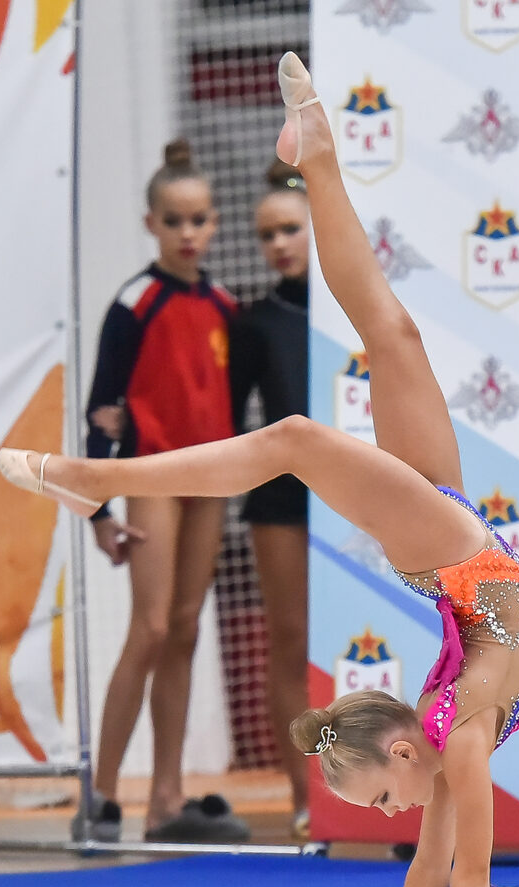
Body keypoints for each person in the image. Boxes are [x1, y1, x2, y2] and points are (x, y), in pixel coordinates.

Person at [0, 54, 519, 887]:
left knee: (326, 407)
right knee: (382, 342)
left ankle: (91, 477)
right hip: (459, 551)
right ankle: (319, 160)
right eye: (385, 798)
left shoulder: (451, 742)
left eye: (377, 800)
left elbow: (444, 868)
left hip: (454, 556)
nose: (393, 810)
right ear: (400, 751)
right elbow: (458, 872)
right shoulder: (456, 744)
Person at [75, 138, 250, 844]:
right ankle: (102, 792)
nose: (188, 233)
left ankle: (167, 799)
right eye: (175, 220)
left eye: (200, 219)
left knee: (185, 628)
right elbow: (101, 407)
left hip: (209, 483)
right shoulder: (134, 302)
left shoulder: (225, 307)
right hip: (153, 475)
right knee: (148, 628)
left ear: (214, 225)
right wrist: (98, 509)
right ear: (151, 223)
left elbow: (230, 402)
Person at [229, 159, 313, 838]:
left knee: (359, 641)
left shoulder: (353, 310)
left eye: (289, 229)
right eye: (266, 235)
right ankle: (304, 793)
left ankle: (381, 787)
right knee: (289, 642)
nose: (278, 244)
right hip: (282, 501)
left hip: (359, 497)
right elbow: (228, 422)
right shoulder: (257, 321)